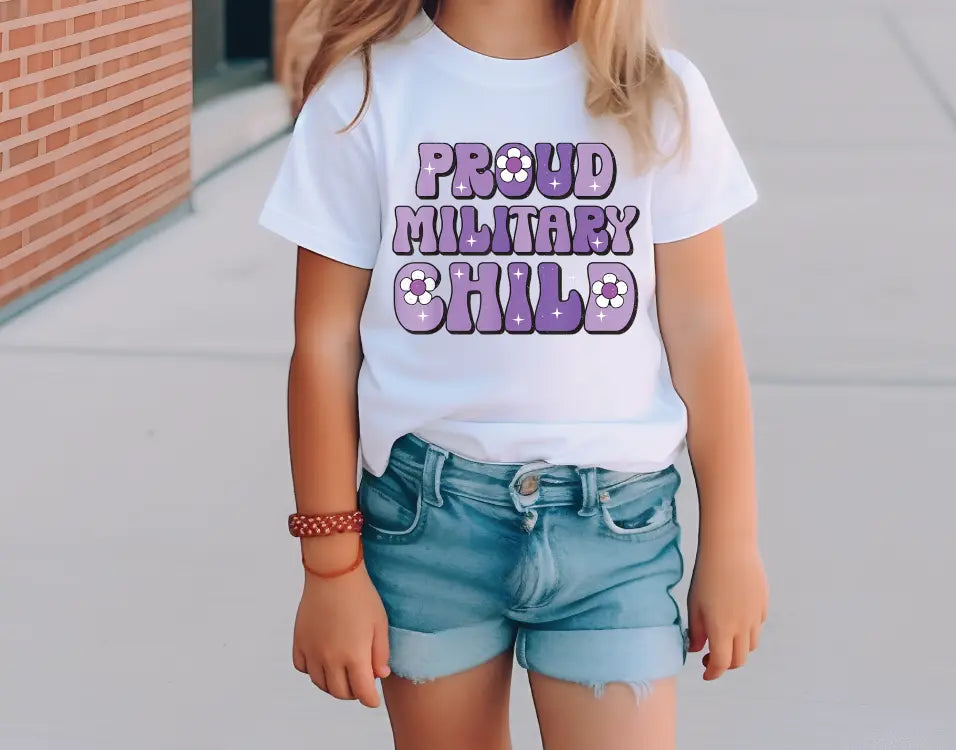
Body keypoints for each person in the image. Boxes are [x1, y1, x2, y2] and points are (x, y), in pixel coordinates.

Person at [259, 1, 768, 747]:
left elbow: (704, 331)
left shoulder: (656, 93)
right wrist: (330, 568)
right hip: (426, 526)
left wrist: (733, 541)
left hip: (614, 533)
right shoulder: (364, 93)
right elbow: (324, 341)